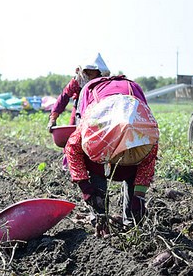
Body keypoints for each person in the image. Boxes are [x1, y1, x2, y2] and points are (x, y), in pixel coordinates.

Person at [65, 75, 159, 236]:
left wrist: (139, 196)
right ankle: (100, 220)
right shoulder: (92, 128)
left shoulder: (146, 134)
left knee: (134, 203)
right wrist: (85, 186)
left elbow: (147, 163)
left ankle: (131, 224)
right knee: (98, 192)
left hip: (131, 115)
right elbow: (72, 150)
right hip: (99, 138)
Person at [48, 62, 102, 130]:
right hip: (78, 109)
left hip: (96, 109)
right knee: (73, 131)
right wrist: (53, 117)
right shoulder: (78, 81)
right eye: (87, 72)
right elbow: (64, 97)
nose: (88, 75)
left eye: (91, 73)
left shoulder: (103, 82)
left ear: (98, 73)